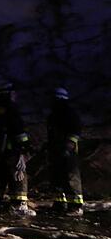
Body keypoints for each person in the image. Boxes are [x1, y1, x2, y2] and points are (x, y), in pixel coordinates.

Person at [0, 83, 34, 216]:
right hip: (12, 150)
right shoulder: (11, 108)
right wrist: (25, 147)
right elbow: (18, 130)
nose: (15, 95)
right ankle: (19, 205)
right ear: (7, 94)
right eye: (12, 93)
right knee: (18, 176)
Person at [47, 87, 84, 216]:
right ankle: (60, 203)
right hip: (55, 151)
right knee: (57, 178)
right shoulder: (52, 116)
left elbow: (76, 131)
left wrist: (69, 145)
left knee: (71, 177)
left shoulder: (69, 113)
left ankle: (76, 206)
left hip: (68, 152)